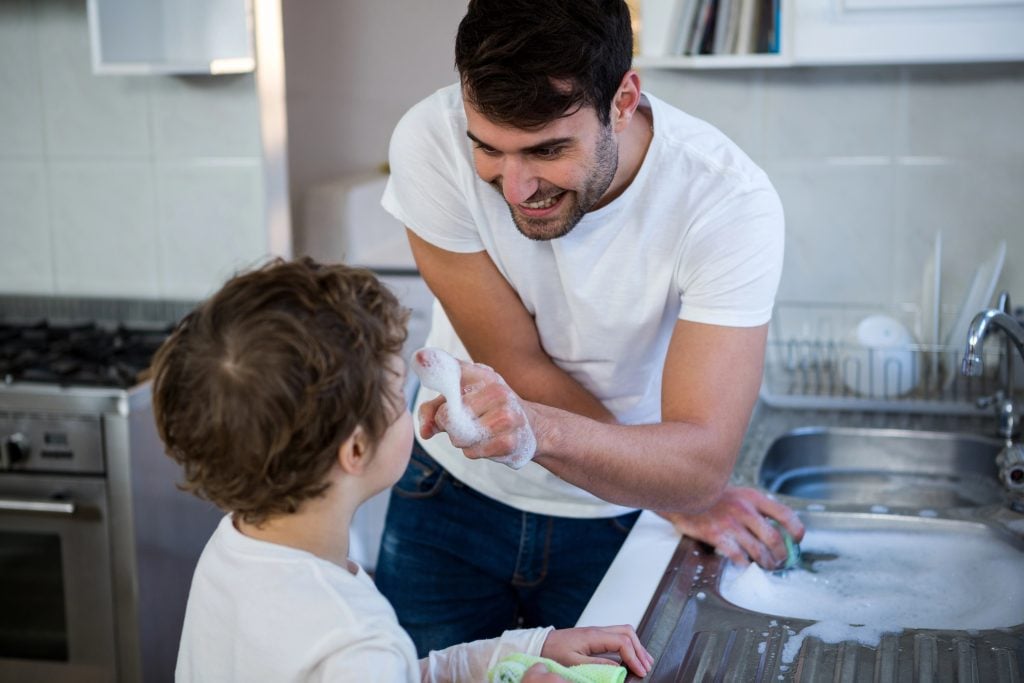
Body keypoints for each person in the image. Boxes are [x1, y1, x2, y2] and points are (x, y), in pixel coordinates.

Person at [375, 0, 806, 657]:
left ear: (624, 99)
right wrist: (665, 480)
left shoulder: (726, 202)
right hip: (450, 501)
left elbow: (701, 457)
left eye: (548, 149)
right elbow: (514, 360)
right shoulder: (427, 141)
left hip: (615, 526)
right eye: (488, 149)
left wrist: (667, 484)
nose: (516, 187)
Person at [149, 257, 653, 682]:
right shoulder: (352, 638)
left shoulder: (234, 549)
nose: (411, 399)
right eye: (396, 392)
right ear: (355, 449)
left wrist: (525, 650)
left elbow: (400, 673)